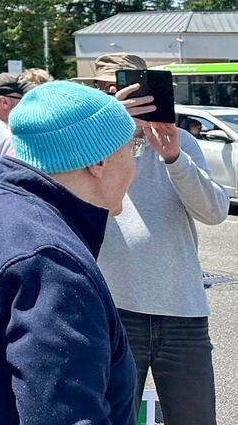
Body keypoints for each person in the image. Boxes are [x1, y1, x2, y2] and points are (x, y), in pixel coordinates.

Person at [0, 80, 139, 425]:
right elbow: (65, 413)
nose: (134, 167)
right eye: (131, 149)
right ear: (100, 161)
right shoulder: (48, 259)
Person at [83, 53, 230, 425]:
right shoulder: (88, 146)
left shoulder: (176, 140)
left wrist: (174, 159)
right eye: (111, 90)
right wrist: (106, 132)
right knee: (112, 418)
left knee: (195, 418)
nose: (124, 97)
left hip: (183, 315)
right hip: (115, 312)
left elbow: (214, 212)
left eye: (133, 88)